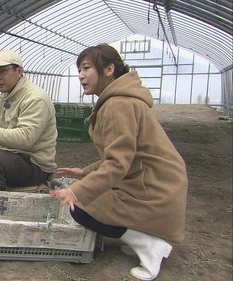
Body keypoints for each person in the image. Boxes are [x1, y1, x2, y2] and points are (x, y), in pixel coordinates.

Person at [50, 44, 188, 281]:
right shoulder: (118, 100)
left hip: (154, 189)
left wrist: (76, 189)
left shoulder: (117, 104)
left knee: (80, 207)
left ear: (109, 69)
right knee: (88, 200)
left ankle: (149, 245)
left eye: (86, 68)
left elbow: (117, 164)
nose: (81, 75)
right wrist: (84, 172)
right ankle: (143, 238)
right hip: (155, 182)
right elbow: (122, 156)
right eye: (79, 69)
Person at [0, 49, 57, 190]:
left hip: (34, 164)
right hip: (11, 155)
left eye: (2, 71)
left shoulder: (35, 98)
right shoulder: (4, 96)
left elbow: (25, 138)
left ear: (19, 71)